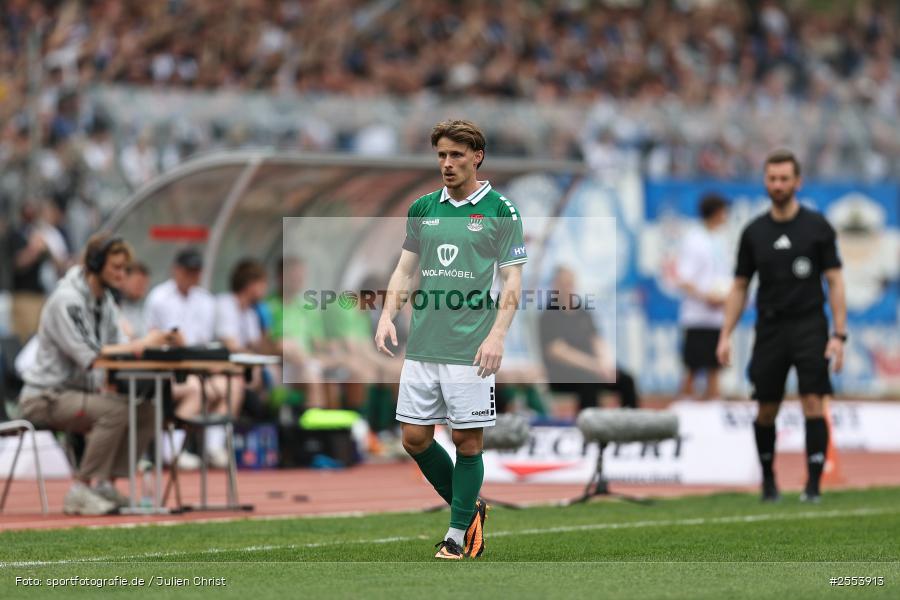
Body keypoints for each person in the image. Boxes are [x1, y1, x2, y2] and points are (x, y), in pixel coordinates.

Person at [374, 120, 526, 559]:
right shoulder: (423, 208)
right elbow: (405, 270)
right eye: (441, 155)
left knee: (467, 442)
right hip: (423, 345)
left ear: (476, 157)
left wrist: (497, 336)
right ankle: (470, 507)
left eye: (456, 155)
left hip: (470, 349)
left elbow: (512, 280)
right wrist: (387, 315)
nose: (447, 163)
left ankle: (458, 535)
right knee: (415, 440)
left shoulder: (501, 209)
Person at [716, 149, 847, 504]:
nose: (778, 185)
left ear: (797, 182)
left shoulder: (817, 228)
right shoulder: (754, 232)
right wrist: (726, 333)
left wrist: (839, 334)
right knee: (766, 407)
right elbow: (740, 286)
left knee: (812, 402)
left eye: (784, 178)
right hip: (770, 329)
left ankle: (813, 486)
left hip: (810, 326)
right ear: (765, 182)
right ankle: (769, 482)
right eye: (772, 179)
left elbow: (835, 281)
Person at [17, 233, 177, 515]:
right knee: (116, 411)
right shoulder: (67, 300)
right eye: (115, 267)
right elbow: (91, 357)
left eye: (125, 268)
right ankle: (79, 489)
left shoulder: (105, 302)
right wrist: (143, 344)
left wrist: (161, 342)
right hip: (44, 397)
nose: (122, 274)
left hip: (77, 395)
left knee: (148, 411)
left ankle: (103, 484)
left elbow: (122, 348)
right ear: (95, 264)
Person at [143, 248, 238, 469]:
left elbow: (206, 342)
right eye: (188, 271)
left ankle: (213, 448)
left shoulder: (206, 300)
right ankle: (172, 450)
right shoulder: (159, 297)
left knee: (231, 385)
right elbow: (152, 338)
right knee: (196, 389)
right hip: (167, 369)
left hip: (198, 366)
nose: (193, 276)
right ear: (176, 270)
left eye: (196, 271)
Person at [538, 266, 639, 411]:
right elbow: (559, 352)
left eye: (571, 284)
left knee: (626, 380)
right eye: (564, 284)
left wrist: (606, 364)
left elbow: (597, 340)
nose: (569, 289)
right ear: (555, 286)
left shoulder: (583, 313)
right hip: (563, 374)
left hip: (593, 368)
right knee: (589, 380)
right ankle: (591, 427)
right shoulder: (549, 316)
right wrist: (594, 366)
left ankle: (631, 423)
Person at [675, 194, 730, 399]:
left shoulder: (720, 240)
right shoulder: (694, 240)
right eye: (724, 212)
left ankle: (712, 416)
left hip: (718, 318)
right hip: (697, 317)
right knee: (693, 369)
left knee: (716, 370)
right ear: (715, 213)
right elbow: (683, 279)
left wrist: (725, 297)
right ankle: (684, 414)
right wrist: (707, 297)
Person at [117, 261, 151, 340]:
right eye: (138, 282)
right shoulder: (113, 307)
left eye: (145, 284)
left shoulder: (143, 308)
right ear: (123, 279)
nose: (142, 287)